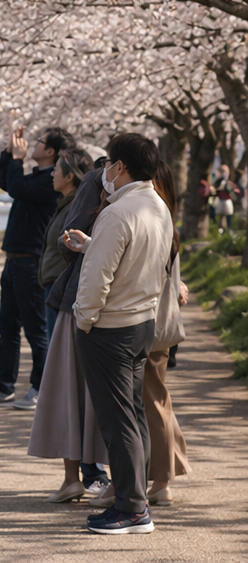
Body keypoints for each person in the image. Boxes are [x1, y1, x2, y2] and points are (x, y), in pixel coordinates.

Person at [71, 133, 173, 535]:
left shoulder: (117, 213)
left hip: (109, 328)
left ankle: (131, 508)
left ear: (120, 167)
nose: (104, 171)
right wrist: (92, 246)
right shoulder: (157, 206)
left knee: (118, 422)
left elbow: (96, 279)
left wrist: (84, 319)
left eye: (108, 163)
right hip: (141, 323)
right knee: (132, 415)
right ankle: (136, 500)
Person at [27, 155, 109, 504]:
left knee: (69, 386)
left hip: (79, 299)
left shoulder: (94, 181)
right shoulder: (148, 200)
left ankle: (78, 476)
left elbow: (68, 242)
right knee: (107, 394)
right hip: (120, 304)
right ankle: (110, 478)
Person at [0, 124, 75, 410]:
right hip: (14, 260)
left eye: (39, 141)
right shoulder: (38, 176)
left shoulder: (51, 182)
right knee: (7, 327)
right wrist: (9, 153)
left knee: (35, 328)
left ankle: (39, 387)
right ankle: (4, 387)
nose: (33, 144)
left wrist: (17, 160)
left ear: (51, 151)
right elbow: (7, 183)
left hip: (31, 261)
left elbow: (17, 187)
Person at [144, 161, 191, 506]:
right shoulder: (166, 221)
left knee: (152, 403)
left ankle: (161, 480)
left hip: (150, 326)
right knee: (157, 400)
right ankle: (164, 474)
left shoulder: (154, 219)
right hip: (161, 326)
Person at [39, 148, 93, 343]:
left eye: (56, 169)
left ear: (70, 176)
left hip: (61, 288)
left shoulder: (75, 208)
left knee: (58, 347)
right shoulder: (68, 205)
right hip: (56, 285)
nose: (52, 174)